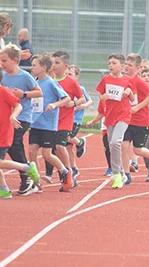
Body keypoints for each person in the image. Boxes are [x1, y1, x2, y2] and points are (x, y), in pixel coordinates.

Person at [0, 44, 43, 195]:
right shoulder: (4, 77)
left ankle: (26, 175)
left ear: (15, 60)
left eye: (4, 60)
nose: (2, 64)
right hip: (7, 118)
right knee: (10, 145)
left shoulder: (24, 76)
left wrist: (23, 94)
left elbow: (39, 92)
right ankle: (28, 174)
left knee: (13, 143)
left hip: (23, 116)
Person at [28, 54, 72, 191]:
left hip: (48, 125)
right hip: (35, 123)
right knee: (32, 151)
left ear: (43, 67)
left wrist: (54, 104)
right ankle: (36, 182)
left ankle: (65, 171)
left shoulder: (51, 83)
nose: (32, 68)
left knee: (47, 155)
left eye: (34, 65)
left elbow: (66, 98)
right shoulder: (33, 82)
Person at [96, 53, 135, 189]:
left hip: (124, 115)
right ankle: (121, 172)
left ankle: (117, 174)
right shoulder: (106, 79)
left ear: (122, 66)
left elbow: (133, 99)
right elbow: (100, 95)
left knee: (115, 142)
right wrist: (103, 96)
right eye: (110, 63)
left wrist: (129, 92)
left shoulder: (128, 80)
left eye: (114, 63)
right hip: (110, 116)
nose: (111, 65)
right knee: (112, 146)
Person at [122, 53, 149, 184]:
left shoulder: (139, 82)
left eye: (130, 65)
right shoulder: (123, 79)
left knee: (137, 149)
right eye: (126, 64)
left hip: (141, 120)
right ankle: (126, 175)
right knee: (123, 146)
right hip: (126, 119)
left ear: (137, 68)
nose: (126, 67)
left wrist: (137, 107)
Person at [51, 51, 85, 192]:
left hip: (65, 120)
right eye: (52, 62)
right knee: (52, 150)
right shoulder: (49, 80)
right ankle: (64, 172)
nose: (53, 66)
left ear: (65, 66)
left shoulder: (71, 82)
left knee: (60, 147)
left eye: (57, 63)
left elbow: (82, 98)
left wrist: (74, 103)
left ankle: (69, 174)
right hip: (51, 120)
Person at [66, 65, 92, 180]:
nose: (68, 77)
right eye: (66, 74)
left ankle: (80, 142)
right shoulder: (62, 87)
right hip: (65, 119)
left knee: (68, 138)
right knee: (68, 147)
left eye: (70, 75)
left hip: (75, 120)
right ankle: (73, 168)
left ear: (77, 77)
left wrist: (83, 106)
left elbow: (89, 100)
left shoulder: (80, 88)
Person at [86, 100, 112, 176]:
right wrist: (92, 122)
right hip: (105, 127)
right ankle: (110, 167)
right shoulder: (102, 100)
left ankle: (120, 166)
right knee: (107, 148)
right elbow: (101, 114)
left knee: (116, 146)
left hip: (116, 126)